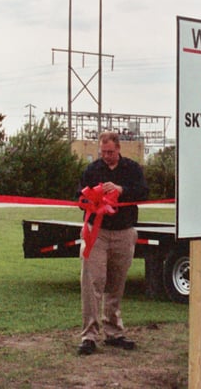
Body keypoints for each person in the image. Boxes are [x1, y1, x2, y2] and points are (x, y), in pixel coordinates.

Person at [76, 131, 149, 356]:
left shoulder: (132, 169)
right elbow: (79, 198)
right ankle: (89, 335)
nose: (106, 156)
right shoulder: (92, 170)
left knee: (116, 283)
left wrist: (121, 191)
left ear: (118, 149)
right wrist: (93, 199)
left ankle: (114, 331)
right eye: (103, 152)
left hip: (124, 232)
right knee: (93, 282)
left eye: (110, 152)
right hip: (97, 233)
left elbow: (144, 193)